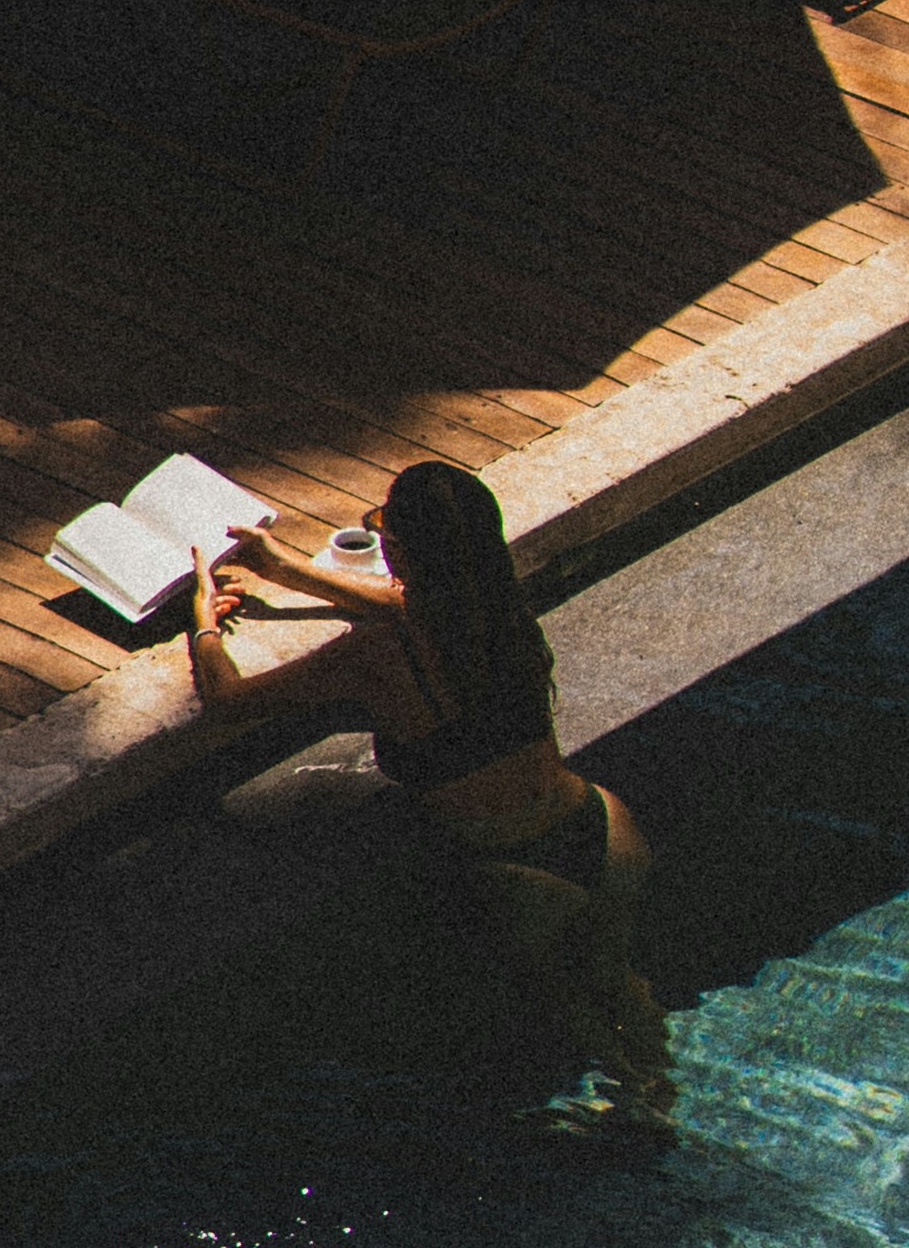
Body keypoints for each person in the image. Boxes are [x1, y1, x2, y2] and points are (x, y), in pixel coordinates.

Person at [191, 458, 673, 1130]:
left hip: (522, 875)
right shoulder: (501, 611)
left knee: (576, 1017)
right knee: (622, 988)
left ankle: (641, 1125)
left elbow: (228, 700)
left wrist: (205, 624)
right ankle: (661, 1092)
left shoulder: (379, 654)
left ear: (395, 548)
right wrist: (287, 568)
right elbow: (413, 604)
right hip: (603, 830)